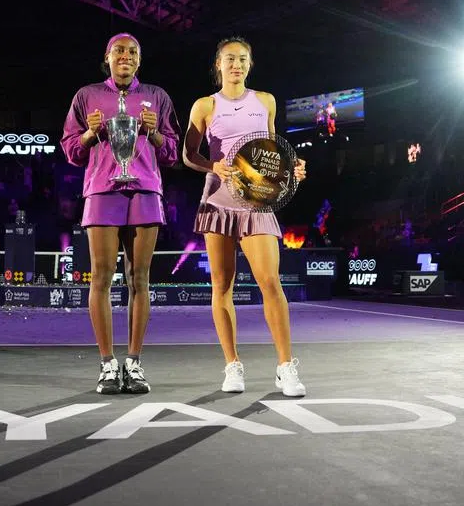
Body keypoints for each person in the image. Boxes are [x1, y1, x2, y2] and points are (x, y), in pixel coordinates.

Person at [183, 37, 307, 396]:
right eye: (229, 59)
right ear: (218, 65)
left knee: (270, 281)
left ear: (249, 65)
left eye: (242, 59)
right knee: (222, 286)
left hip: (257, 204)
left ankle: (286, 367)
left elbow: (272, 152)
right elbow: (188, 153)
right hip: (219, 203)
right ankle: (232, 366)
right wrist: (213, 165)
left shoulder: (265, 101)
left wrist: (292, 170)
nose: (236, 64)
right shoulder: (205, 105)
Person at [61, 32, 180, 394]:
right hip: (101, 189)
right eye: (119, 51)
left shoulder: (157, 97)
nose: (125, 56)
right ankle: (107, 365)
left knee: (139, 278)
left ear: (139, 61)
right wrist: (89, 134)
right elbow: (70, 149)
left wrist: (155, 133)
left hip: (144, 189)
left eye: (132, 52)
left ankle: (135, 362)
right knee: (100, 277)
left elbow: (173, 152)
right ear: (107, 57)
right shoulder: (87, 96)